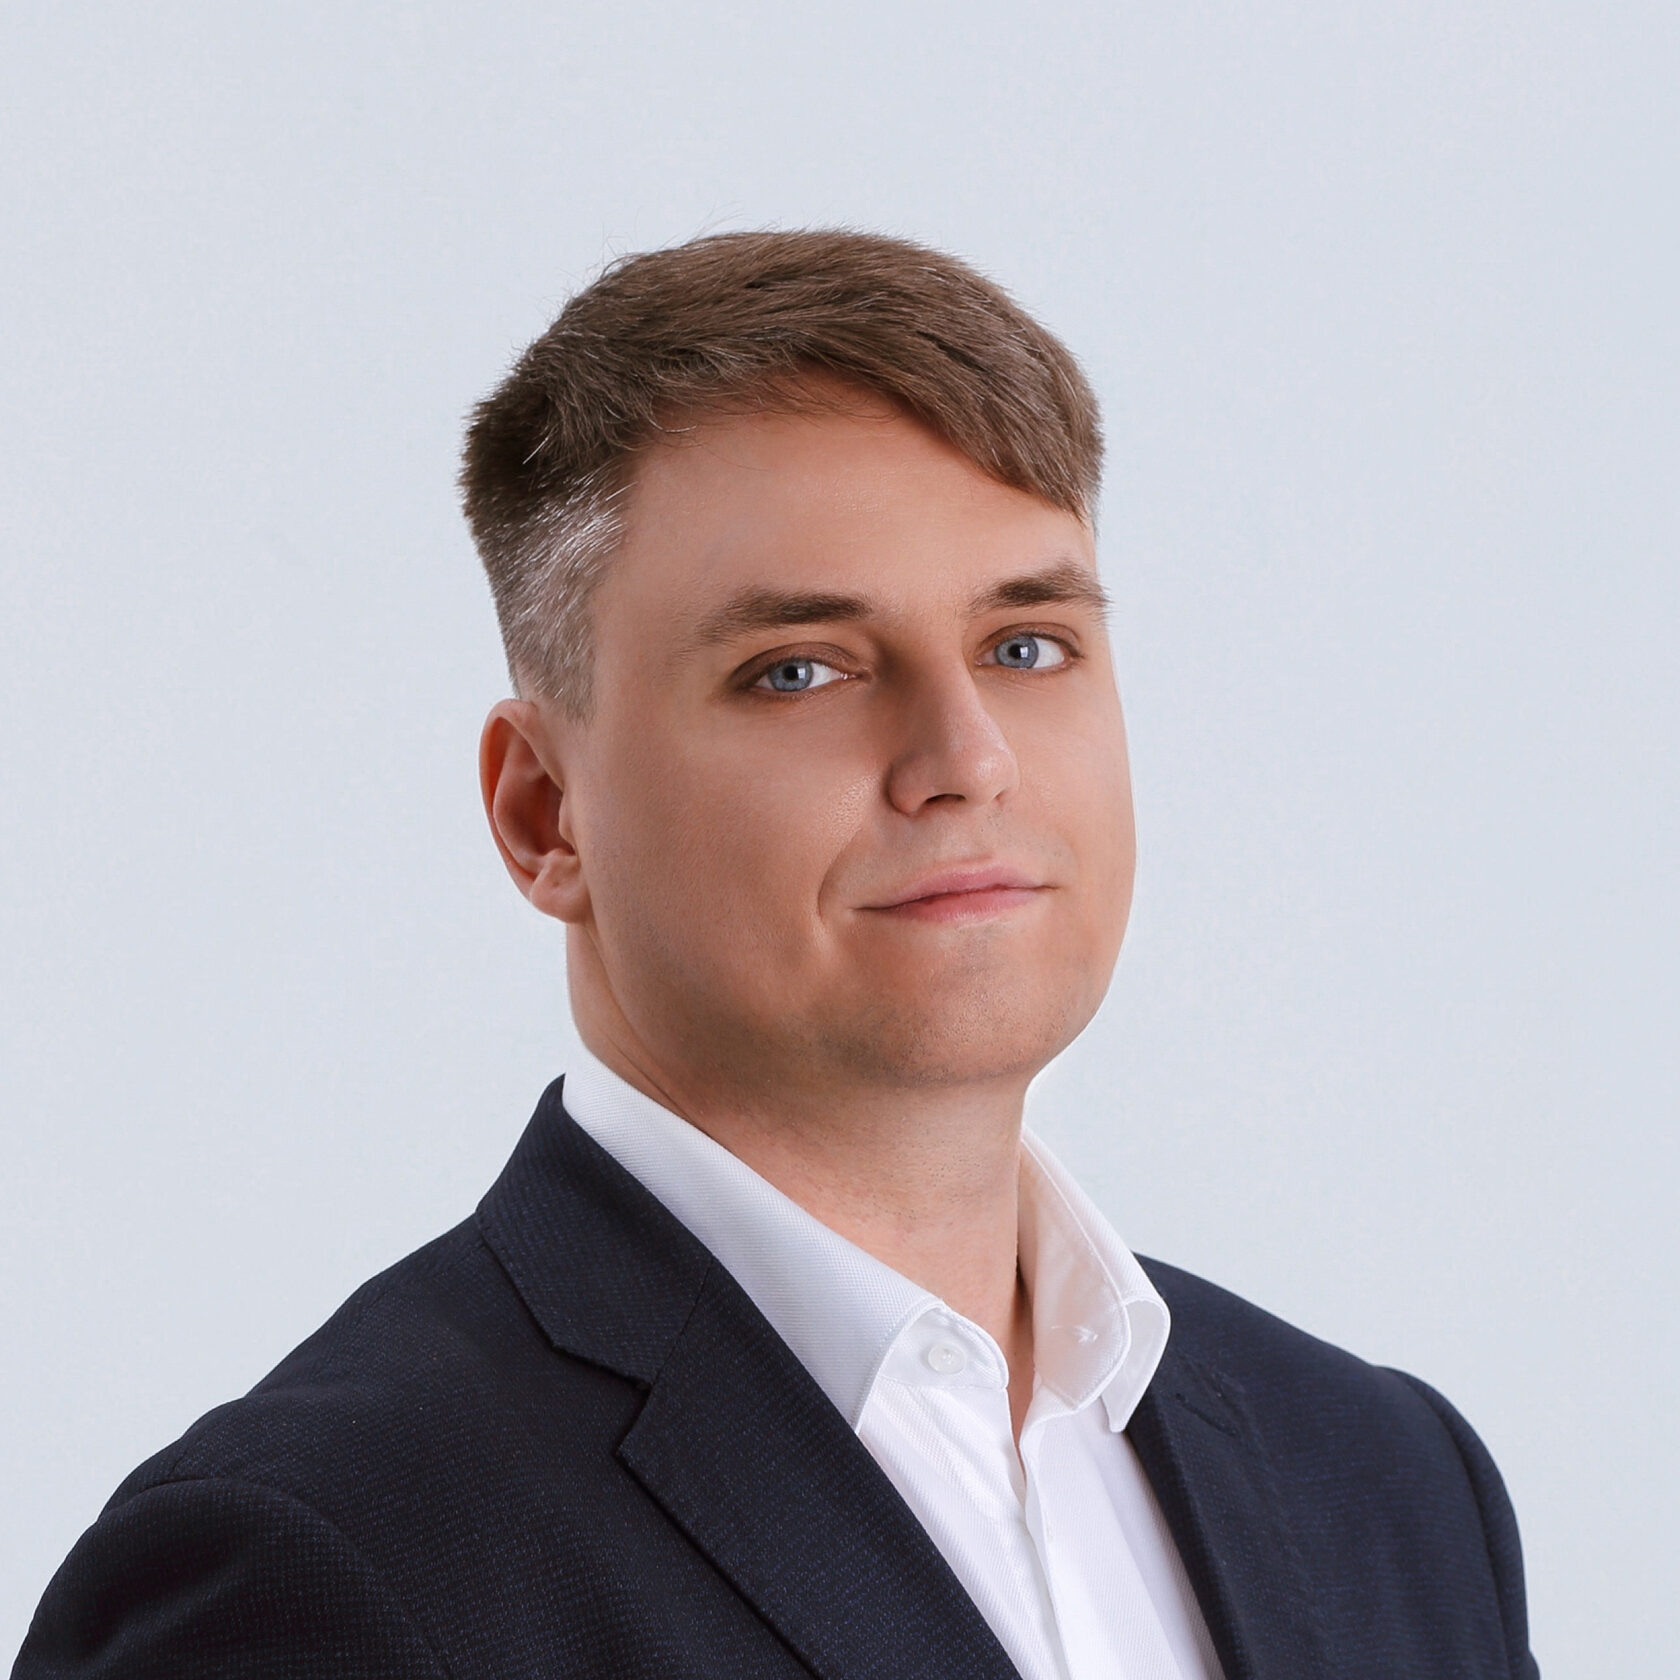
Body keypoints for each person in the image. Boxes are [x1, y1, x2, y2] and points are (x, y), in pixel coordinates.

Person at [14, 230, 1539, 1680]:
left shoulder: (1384, 1483)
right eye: (800, 670)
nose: (968, 759)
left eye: (1026, 645)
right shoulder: (321, 1563)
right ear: (544, 812)